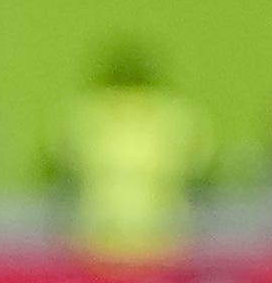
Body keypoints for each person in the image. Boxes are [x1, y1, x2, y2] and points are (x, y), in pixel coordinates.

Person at [47, 43, 213, 263]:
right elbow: (205, 176)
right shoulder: (175, 114)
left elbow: (55, 173)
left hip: (97, 239)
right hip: (162, 239)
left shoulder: (85, 112)